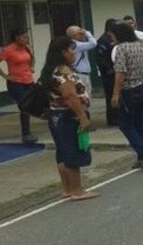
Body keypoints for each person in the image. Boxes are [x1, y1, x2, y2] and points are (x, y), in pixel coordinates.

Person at [40, 36, 99, 201]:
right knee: (73, 151)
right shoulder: (63, 71)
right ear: (63, 52)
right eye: (71, 49)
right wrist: (82, 117)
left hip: (56, 116)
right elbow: (70, 96)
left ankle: (67, 188)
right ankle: (77, 190)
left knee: (62, 152)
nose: (74, 53)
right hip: (68, 116)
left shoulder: (50, 70)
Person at [111, 22, 143, 169]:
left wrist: (115, 93)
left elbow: (120, 72)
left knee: (125, 124)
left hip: (129, 89)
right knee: (139, 122)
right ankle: (141, 156)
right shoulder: (141, 46)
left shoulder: (121, 49)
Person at [0, 28, 38, 145]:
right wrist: (5, 76)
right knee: (24, 105)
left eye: (27, 37)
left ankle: (27, 132)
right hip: (16, 82)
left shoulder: (27, 48)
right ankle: (26, 134)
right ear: (17, 37)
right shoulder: (9, 50)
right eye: (24, 37)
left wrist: (31, 67)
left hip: (28, 80)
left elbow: (32, 58)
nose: (27, 39)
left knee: (30, 105)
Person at [95, 18, 120, 126]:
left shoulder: (115, 38)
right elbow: (100, 58)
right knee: (111, 95)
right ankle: (113, 119)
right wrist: (108, 69)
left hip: (117, 71)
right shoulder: (103, 40)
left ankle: (118, 116)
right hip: (109, 73)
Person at [65, 25, 97, 95]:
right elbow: (93, 43)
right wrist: (87, 32)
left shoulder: (75, 44)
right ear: (74, 36)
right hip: (81, 75)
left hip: (82, 74)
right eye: (81, 34)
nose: (83, 35)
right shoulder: (76, 45)